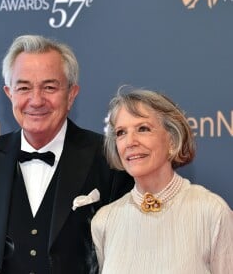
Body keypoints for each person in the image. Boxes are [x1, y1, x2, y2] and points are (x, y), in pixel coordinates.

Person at [0, 35, 133, 274]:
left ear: (72, 94)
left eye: (49, 87)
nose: (36, 100)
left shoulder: (109, 158)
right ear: (9, 93)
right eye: (23, 88)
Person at [91, 86, 233, 274]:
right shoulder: (105, 221)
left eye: (143, 129)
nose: (130, 141)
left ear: (172, 140)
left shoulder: (211, 212)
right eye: (121, 132)